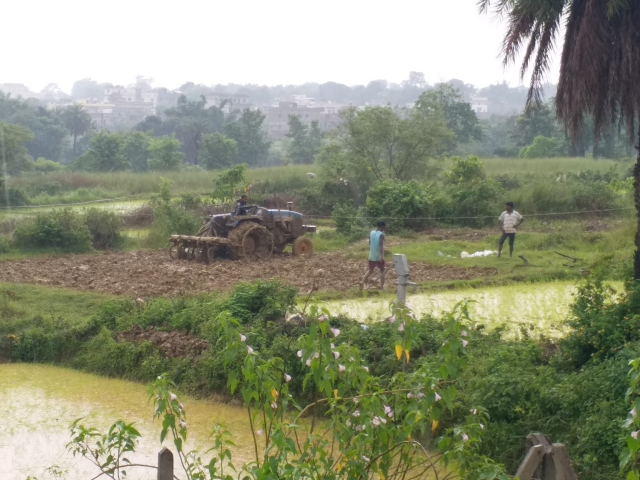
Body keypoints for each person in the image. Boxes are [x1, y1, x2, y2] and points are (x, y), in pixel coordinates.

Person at [360, 221, 386, 290]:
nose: (384, 229)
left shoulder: (371, 233)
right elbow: (381, 245)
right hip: (378, 255)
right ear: (382, 227)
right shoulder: (382, 234)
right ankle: (382, 287)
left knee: (371, 270)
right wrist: (381, 256)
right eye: (384, 227)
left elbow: (370, 243)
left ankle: (362, 281)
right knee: (382, 270)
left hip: (371, 254)